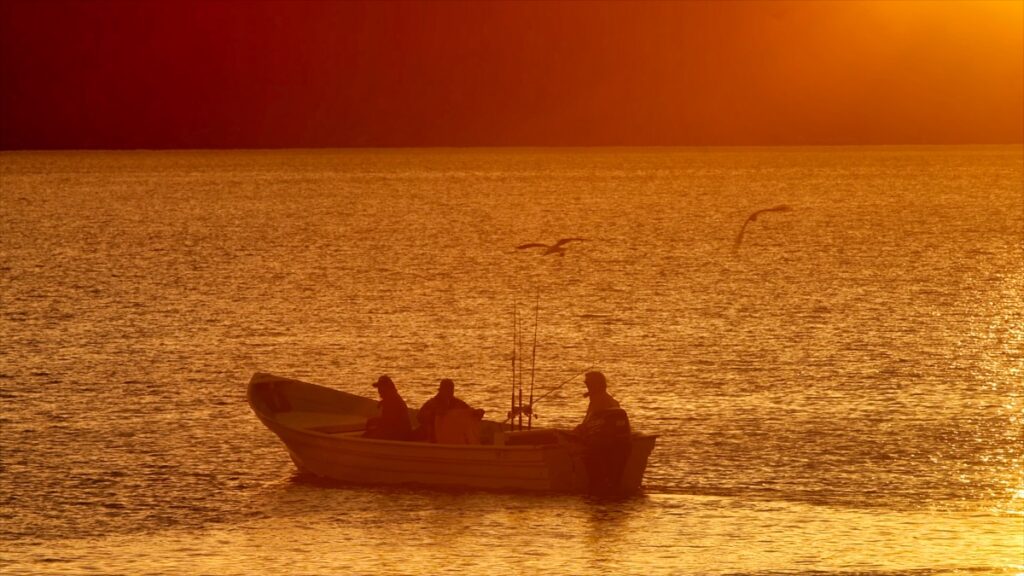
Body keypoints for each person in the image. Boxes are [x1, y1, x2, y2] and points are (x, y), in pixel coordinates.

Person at [575, 371, 631, 496]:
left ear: (595, 385)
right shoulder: (611, 400)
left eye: (588, 383)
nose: (586, 385)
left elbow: (587, 425)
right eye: (586, 383)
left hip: (602, 445)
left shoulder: (598, 401)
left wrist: (577, 431)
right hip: (619, 444)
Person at [416, 378, 484, 443]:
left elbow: (469, 412)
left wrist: (476, 413)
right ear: (441, 390)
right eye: (447, 390)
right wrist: (435, 414)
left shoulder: (458, 403)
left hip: (454, 439)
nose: (449, 392)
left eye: (451, 390)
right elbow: (420, 417)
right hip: (434, 438)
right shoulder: (432, 403)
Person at [363, 375, 413, 441]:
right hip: (397, 431)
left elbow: (389, 422)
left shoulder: (392, 400)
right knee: (369, 433)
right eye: (378, 388)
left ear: (387, 388)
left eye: (381, 387)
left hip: (399, 434)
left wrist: (374, 421)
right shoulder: (391, 398)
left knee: (367, 437)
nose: (379, 390)